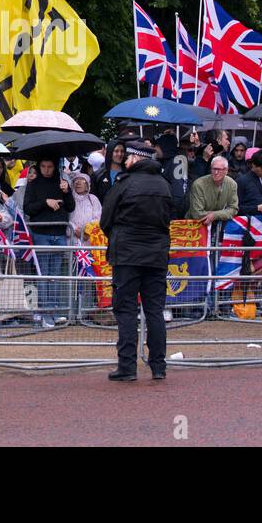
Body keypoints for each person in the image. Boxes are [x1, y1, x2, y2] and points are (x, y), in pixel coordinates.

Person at [99, 142, 173, 381]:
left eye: (129, 156)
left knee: (126, 311)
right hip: (156, 256)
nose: (126, 159)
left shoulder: (124, 183)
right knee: (155, 311)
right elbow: (169, 216)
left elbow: (105, 218)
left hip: (127, 256)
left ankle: (128, 366)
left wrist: (120, 237)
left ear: (137, 159)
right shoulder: (164, 185)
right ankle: (158, 367)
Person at [23, 157, 75, 325]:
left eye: (50, 166)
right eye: (43, 166)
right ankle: (44, 312)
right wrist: (46, 202)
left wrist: (67, 192)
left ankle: (53, 309)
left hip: (59, 233)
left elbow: (71, 206)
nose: (46, 169)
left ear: (55, 167)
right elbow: (27, 208)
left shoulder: (62, 182)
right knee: (43, 275)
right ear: (39, 166)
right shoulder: (33, 183)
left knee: (55, 276)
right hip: (41, 234)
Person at [187, 155, 238, 230]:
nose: (216, 172)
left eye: (219, 169)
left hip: (216, 226)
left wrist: (215, 215)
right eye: (214, 169)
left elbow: (233, 209)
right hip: (195, 226)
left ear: (226, 170)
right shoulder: (199, 184)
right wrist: (222, 214)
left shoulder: (232, 184)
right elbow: (196, 213)